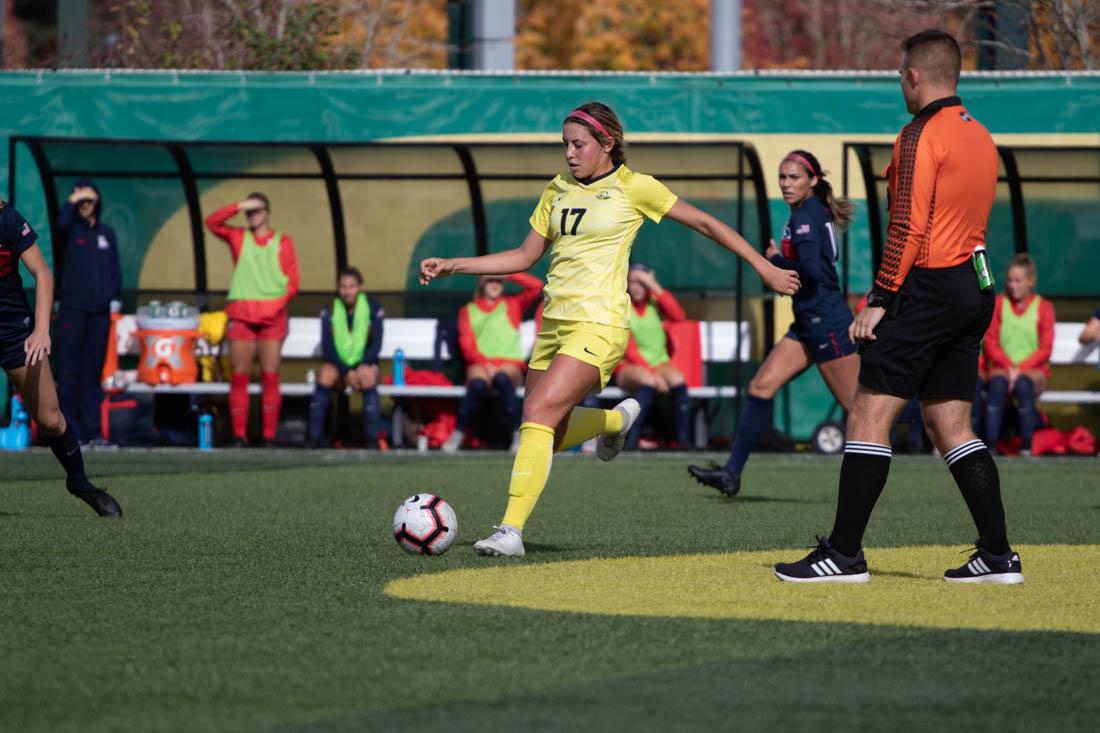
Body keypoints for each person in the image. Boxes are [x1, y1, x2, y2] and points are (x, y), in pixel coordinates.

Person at [420, 101, 799, 557]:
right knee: (548, 432)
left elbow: (705, 223)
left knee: (538, 413)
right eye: (564, 144)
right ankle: (614, 421)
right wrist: (452, 266)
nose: (569, 153)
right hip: (553, 326)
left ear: (607, 144)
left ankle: (510, 531)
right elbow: (523, 257)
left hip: (599, 326)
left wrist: (763, 267)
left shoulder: (634, 187)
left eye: (578, 144)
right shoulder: (557, 189)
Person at [775, 30, 1023, 584]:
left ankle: (842, 555)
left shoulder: (918, 134)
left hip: (928, 288)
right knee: (950, 423)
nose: (899, 83)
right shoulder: (979, 135)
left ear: (914, 75)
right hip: (972, 287)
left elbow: (908, 225)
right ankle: (999, 556)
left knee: (868, 413)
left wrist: (880, 299)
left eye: (899, 74)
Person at [688, 150, 860, 495]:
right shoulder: (806, 212)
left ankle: (932, 419)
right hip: (808, 323)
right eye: (782, 177)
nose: (785, 184)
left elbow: (810, 271)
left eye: (794, 177)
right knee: (760, 387)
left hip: (826, 321)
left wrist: (775, 260)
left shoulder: (806, 216)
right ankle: (731, 474)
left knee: (861, 410)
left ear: (813, 181)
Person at [0, 200, 121, 516]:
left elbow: (42, 274)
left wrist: (41, 330)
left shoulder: (7, 218)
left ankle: (80, 483)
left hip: (12, 329)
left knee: (51, 419)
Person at [205, 193, 299, 447]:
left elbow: (293, 283)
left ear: (268, 212)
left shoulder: (283, 242)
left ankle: (268, 437)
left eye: (257, 210)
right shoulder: (239, 237)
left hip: (272, 317)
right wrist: (237, 206)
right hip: (242, 314)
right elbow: (212, 222)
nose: (252, 215)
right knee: (240, 375)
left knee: (270, 375)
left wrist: (272, 309)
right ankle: (239, 435)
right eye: (249, 211)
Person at [54, 178, 121, 447]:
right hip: (72, 311)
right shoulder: (69, 231)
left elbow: (115, 271)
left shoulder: (106, 233)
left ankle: (93, 432)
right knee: (69, 372)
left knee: (93, 373)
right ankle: (71, 432)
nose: (84, 205)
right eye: (79, 200)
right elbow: (59, 226)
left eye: (89, 200)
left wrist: (112, 296)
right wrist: (72, 199)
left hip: (99, 314)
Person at [442, 272, 543, 452]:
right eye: (490, 280)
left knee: (503, 379)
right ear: (482, 283)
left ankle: (517, 434)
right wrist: (486, 364)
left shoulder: (512, 304)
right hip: (480, 364)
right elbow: (467, 345)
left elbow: (536, 286)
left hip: (509, 364)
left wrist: (508, 272)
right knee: (477, 385)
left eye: (499, 280)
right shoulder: (468, 310)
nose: (495, 284)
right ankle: (457, 434)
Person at [981, 254, 1054, 454]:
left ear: (1030, 282)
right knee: (996, 386)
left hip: (1033, 370)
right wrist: (1008, 367)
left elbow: (1045, 349)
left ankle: (1026, 446)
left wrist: (1019, 370)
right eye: (1010, 280)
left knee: (1023, 385)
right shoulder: (998, 303)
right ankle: (992, 446)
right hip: (1002, 367)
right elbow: (990, 341)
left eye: (1018, 281)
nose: (1013, 285)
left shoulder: (1044, 307)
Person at [615, 262, 692, 450]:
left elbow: (678, 315)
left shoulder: (653, 301)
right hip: (627, 366)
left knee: (677, 380)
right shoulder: (621, 305)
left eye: (642, 282)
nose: (637, 287)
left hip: (658, 363)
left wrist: (654, 286)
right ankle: (630, 440)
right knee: (649, 381)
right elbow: (629, 350)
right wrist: (654, 376)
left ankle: (682, 441)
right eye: (633, 281)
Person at [307, 267, 386, 449]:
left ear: (359, 287)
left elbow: (376, 345)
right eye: (343, 286)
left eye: (351, 286)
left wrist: (363, 365)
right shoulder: (329, 309)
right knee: (325, 374)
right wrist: (346, 371)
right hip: (339, 366)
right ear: (338, 288)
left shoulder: (373, 308)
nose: (347, 291)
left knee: (367, 377)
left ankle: (373, 439)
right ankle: (314, 438)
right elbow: (328, 349)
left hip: (364, 364)